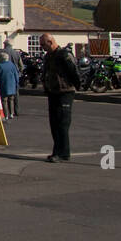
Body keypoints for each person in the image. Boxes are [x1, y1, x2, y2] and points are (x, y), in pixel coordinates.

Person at [40, 34, 79, 162]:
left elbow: (73, 70)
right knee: (54, 123)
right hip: (53, 92)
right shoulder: (48, 56)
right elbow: (45, 72)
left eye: (43, 45)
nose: (42, 48)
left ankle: (63, 153)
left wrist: (75, 85)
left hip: (65, 92)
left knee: (62, 123)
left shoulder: (64, 54)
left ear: (50, 42)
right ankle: (57, 151)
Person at [0, 52, 20, 118]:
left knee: (4, 100)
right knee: (11, 99)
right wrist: (17, 83)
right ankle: (11, 113)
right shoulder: (12, 65)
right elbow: (16, 75)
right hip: (12, 84)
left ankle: (6, 114)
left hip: (3, 84)